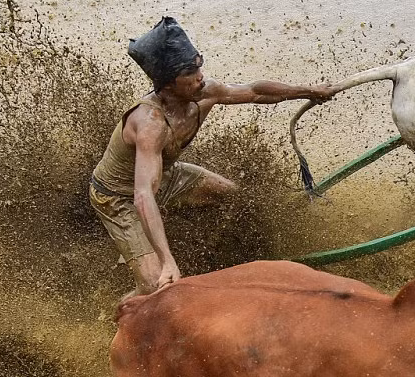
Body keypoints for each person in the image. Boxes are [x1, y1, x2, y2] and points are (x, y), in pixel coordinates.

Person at [90, 16, 333, 299]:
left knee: (235, 198)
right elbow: (143, 195)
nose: (200, 76)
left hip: (169, 174)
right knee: (154, 286)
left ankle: (229, 259)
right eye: (190, 73)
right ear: (168, 85)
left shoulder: (204, 91)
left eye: (198, 64)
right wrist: (167, 260)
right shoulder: (151, 123)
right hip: (118, 197)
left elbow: (254, 92)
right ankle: (123, 323)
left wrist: (310, 91)